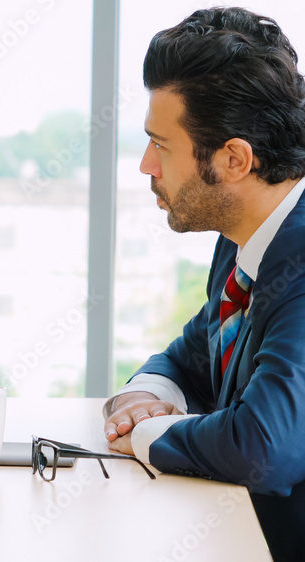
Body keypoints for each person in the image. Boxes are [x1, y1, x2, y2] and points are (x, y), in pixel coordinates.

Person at [102, 7, 305, 560]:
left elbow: (264, 447)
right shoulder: (245, 239)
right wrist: (145, 397)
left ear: (234, 159)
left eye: (161, 145)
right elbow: (192, 356)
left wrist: (144, 437)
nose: (147, 166)